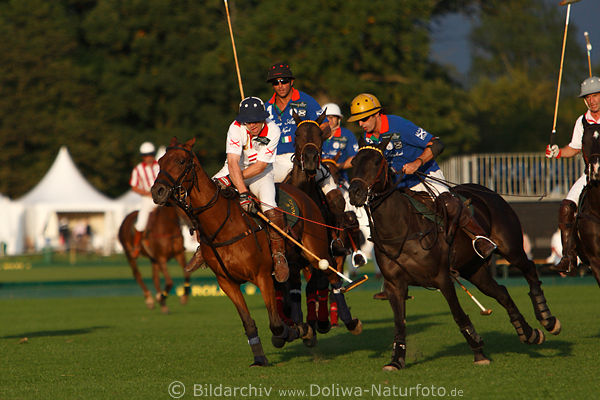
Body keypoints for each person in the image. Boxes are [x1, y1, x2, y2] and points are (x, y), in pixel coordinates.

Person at [347, 93, 497, 259]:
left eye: (364, 119)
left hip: (424, 175)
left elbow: (437, 143)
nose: (360, 124)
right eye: (358, 121)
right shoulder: (367, 139)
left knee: (449, 204)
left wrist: (417, 163)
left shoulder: (398, 125)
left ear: (377, 114)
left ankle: (481, 238)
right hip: (398, 185)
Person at [186, 97, 289, 283]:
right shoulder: (235, 127)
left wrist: (237, 186)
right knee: (206, 197)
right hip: (233, 169)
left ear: (263, 117)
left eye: (256, 120)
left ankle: (278, 255)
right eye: (248, 121)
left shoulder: (273, 129)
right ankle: (203, 248)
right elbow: (233, 162)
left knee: (270, 206)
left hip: (260, 173)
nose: (252, 125)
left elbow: (259, 166)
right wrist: (241, 191)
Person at [264, 63, 354, 254]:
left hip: (304, 158)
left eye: (284, 81)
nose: (280, 85)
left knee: (333, 193)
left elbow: (326, 127)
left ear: (291, 81)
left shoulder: (306, 101)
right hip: (275, 160)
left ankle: (336, 238)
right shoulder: (267, 107)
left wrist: (315, 141)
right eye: (276, 82)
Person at [545, 76, 600, 273]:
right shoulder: (582, 121)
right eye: (588, 97)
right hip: (589, 174)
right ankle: (568, 256)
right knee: (566, 207)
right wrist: (558, 152)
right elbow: (574, 148)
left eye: (595, 96)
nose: (592, 100)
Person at [130, 142, 160, 258]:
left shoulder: (160, 165)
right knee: (141, 222)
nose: (149, 157)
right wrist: (147, 193)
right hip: (147, 199)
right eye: (146, 155)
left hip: (162, 197)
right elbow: (134, 186)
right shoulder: (138, 169)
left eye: (151, 154)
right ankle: (136, 246)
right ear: (142, 156)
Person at [321, 103, 359, 186]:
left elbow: (355, 157)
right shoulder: (316, 134)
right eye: (327, 117)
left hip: (340, 178)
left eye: (333, 117)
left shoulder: (347, 134)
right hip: (318, 177)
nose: (330, 120)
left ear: (339, 119)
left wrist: (338, 166)